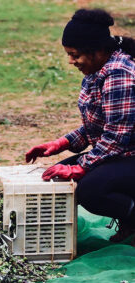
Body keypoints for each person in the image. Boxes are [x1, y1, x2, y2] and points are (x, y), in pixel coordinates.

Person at [25, 9, 135, 243]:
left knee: (91, 190)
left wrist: (82, 166)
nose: (70, 61)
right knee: (56, 177)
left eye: (74, 55)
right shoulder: (97, 70)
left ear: (96, 51)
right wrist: (62, 143)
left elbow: (116, 136)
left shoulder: (119, 74)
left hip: (129, 153)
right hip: (122, 154)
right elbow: (98, 125)